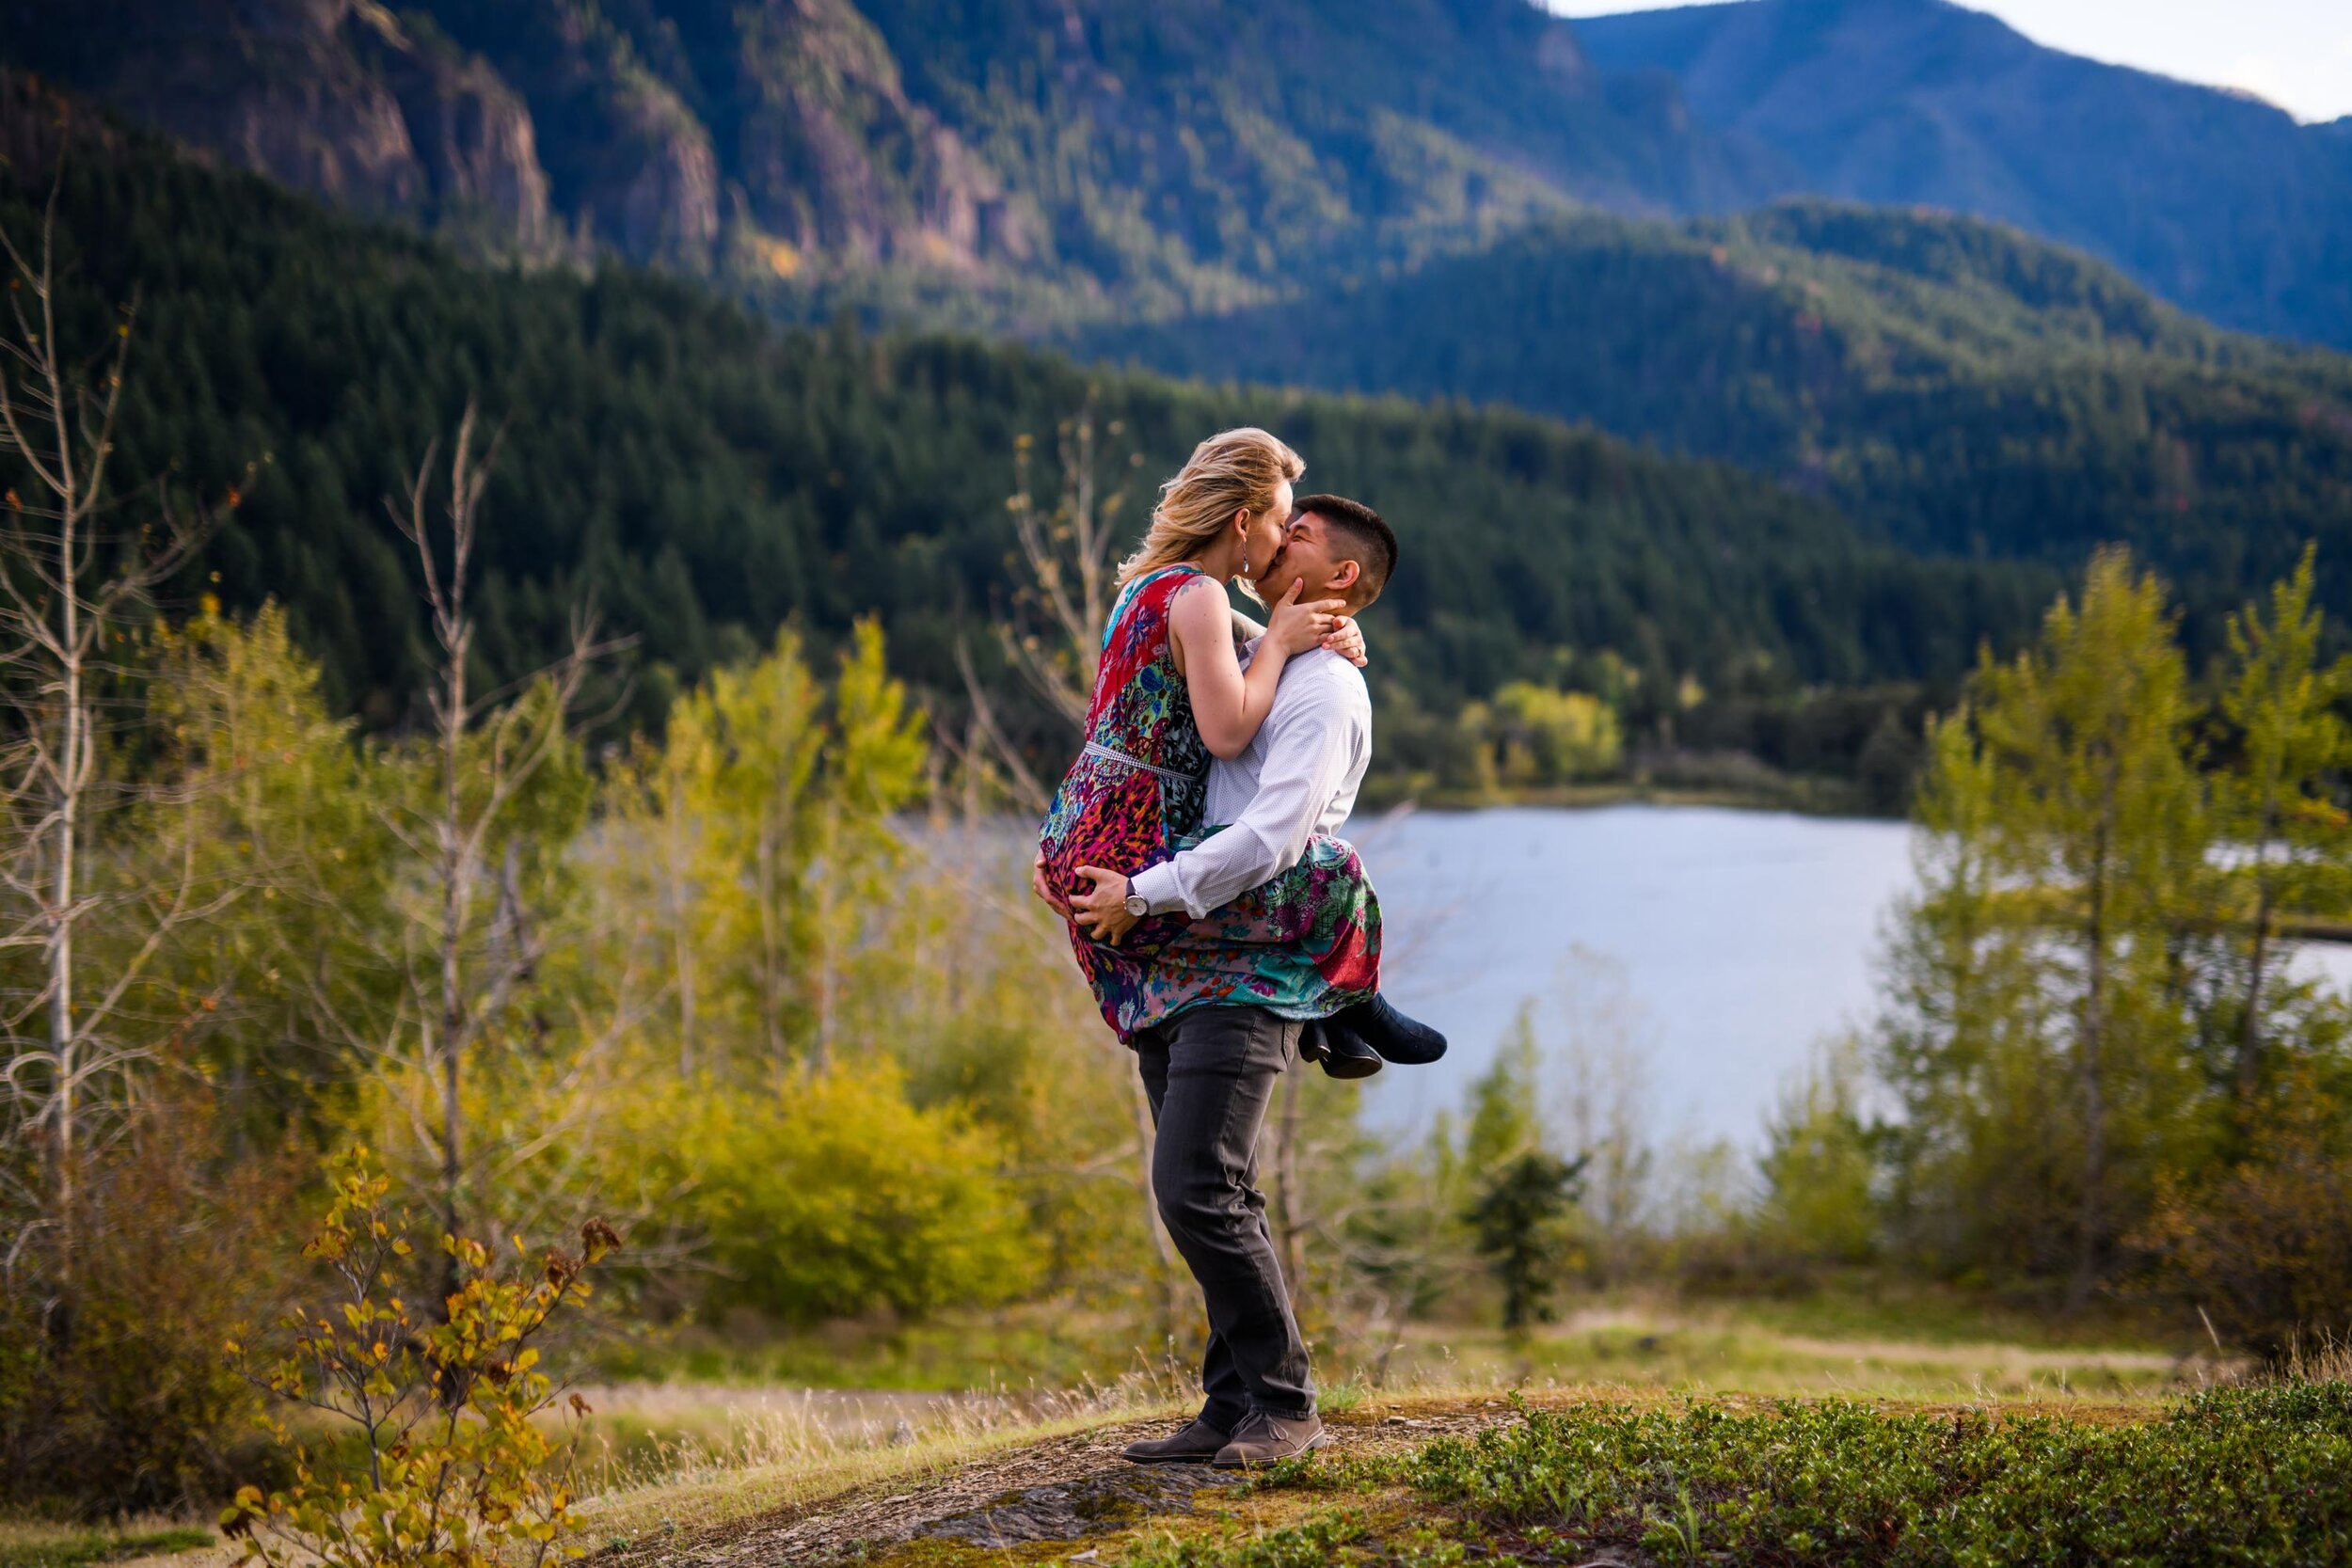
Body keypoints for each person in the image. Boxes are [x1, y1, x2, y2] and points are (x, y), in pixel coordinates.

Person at [1034, 451, 1443, 1469]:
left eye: (1297, 531)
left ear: (1337, 576)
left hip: (1245, 961)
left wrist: (1145, 890)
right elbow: (1218, 696)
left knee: (1195, 1183)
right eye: (1280, 518)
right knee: (1214, 1184)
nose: (1278, 535)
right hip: (1184, 949)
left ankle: (1286, 1403)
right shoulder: (1253, 641)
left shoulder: (1322, 695)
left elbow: (1270, 842)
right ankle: (1227, 1407)